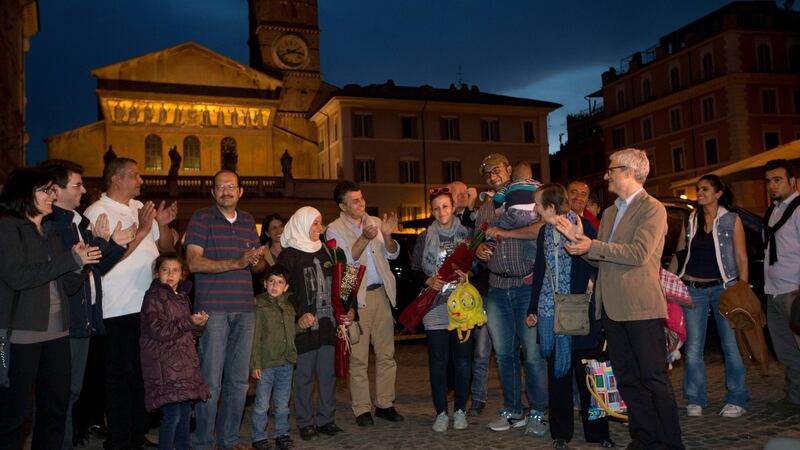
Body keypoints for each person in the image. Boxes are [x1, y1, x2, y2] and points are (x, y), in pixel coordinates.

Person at [559, 148, 683, 449]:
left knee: (653, 379)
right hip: (612, 310)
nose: (606, 174)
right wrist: (581, 246)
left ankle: (670, 443)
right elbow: (603, 260)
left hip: (641, 309)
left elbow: (639, 254)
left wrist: (594, 245)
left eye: (611, 169)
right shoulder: (612, 212)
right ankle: (643, 440)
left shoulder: (653, 208)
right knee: (627, 380)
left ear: (628, 171)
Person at [36, 159, 134, 450]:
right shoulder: (53, 226)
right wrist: (105, 244)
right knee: (58, 396)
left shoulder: (78, 223)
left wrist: (112, 245)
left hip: (82, 321)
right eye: (77, 185)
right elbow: (68, 272)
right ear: (56, 190)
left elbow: (94, 269)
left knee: (71, 393)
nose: (83, 190)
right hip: (61, 322)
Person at [0, 168, 100, 450]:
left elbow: (66, 286)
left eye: (53, 190)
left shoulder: (52, 231)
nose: (53, 195)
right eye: (46, 190)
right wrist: (69, 260)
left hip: (58, 333)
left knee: (55, 410)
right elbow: (18, 276)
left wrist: (81, 264)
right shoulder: (8, 229)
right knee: (16, 413)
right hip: (21, 335)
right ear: (25, 194)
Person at [84, 157, 179, 450]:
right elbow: (105, 259)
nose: (141, 181)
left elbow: (166, 247)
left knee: (143, 374)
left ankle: (137, 433)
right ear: (116, 179)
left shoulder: (140, 208)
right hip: (118, 308)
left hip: (149, 306)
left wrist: (160, 226)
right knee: (119, 376)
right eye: (135, 176)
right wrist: (142, 229)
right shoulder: (97, 212)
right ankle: (118, 439)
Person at [527, 184, 613, 449]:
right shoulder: (544, 232)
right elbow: (541, 270)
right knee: (558, 376)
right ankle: (561, 434)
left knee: (590, 374)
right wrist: (533, 309)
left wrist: (590, 282)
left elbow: (599, 262)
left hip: (582, 311)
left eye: (538, 204)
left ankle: (599, 433)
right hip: (552, 313)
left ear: (551, 206)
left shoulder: (583, 226)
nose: (535, 208)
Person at [185, 170, 264, 450]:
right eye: (220, 187)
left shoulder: (248, 221)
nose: (226, 191)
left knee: (238, 383)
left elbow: (257, 267)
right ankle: (204, 442)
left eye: (231, 186)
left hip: (244, 309)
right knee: (211, 382)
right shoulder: (201, 218)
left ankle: (228, 441)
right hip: (214, 311)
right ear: (212, 193)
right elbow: (193, 263)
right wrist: (237, 262)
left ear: (241, 191)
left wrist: (257, 261)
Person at [473, 153, 547, 435]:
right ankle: (514, 410)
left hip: (526, 286)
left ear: (508, 169)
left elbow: (542, 229)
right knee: (504, 356)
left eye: (496, 171)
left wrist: (508, 233)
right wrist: (479, 251)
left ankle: (539, 412)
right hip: (496, 288)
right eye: (488, 174)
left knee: (532, 354)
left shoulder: (533, 192)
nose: (493, 177)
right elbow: (478, 242)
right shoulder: (487, 208)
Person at [669, 174, 749, 418]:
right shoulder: (691, 219)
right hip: (694, 289)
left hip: (724, 289)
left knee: (730, 345)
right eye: (698, 189)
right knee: (693, 346)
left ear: (718, 193)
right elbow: (680, 254)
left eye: (704, 189)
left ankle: (737, 398)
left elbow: (741, 257)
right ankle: (695, 398)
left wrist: (742, 289)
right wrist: (668, 282)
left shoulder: (731, 220)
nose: (699, 193)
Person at [326, 181, 404, 426]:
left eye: (362, 198)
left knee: (386, 354)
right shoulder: (333, 229)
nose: (362, 204)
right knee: (358, 357)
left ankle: (385, 404)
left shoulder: (375, 222)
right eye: (355, 201)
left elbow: (392, 254)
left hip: (381, 293)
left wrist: (388, 234)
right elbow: (346, 260)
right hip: (355, 297)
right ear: (342, 206)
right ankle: (361, 409)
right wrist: (364, 237)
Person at [277, 206, 352, 441]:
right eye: (314, 223)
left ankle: (326, 419)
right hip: (304, 328)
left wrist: (350, 310)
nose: (319, 228)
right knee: (305, 376)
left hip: (328, 325)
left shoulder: (328, 252)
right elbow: (279, 291)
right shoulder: (289, 255)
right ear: (301, 223)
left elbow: (345, 282)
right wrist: (299, 313)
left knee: (328, 374)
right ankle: (305, 422)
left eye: (320, 223)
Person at [410, 187, 473, 431]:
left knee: (463, 361)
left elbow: (478, 265)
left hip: (463, 307)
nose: (441, 211)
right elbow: (415, 269)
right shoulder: (425, 237)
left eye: (445, 206)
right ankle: (440, 413)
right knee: (437, 361)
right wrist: (427, 280)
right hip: (435, 306)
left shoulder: (468, 234)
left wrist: (469, 272)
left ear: (453, 207)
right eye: (436, 208)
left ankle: (459, 410)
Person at [140, 254, 210, 450]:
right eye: (165, 270)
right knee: (173, 415)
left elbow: (187, 331)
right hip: (165, 366)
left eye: (175, 270)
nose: (170, 274)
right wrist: (189, 322)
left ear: (182, 275)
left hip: (183, 364)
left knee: (185, 412)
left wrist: (199, 325)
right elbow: (159, 330)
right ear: (157, 274)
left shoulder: (181, 297)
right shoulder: (154, 297)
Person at [763, 159, 800, 412]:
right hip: (774, 291)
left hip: (794, 291)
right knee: (786, 351)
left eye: (777, 180)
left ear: (792, 181)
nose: (772, 186)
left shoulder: (798, 209)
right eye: (768, 181)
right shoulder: (774, 210)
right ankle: (795, 398)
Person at [249, 264, 296, 450]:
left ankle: (281, 433)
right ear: (265, 284)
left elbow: (292, 331)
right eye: (271, 282)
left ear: (286, 287)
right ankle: (259, 436)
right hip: (266, 364)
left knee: (283, 403)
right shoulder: (259, 306)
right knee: (261, 404)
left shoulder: (289, 307)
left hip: (286, 362)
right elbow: (256, 336)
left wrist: (303, 323)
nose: (275, 286)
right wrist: (255, 364)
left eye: (280, 282)